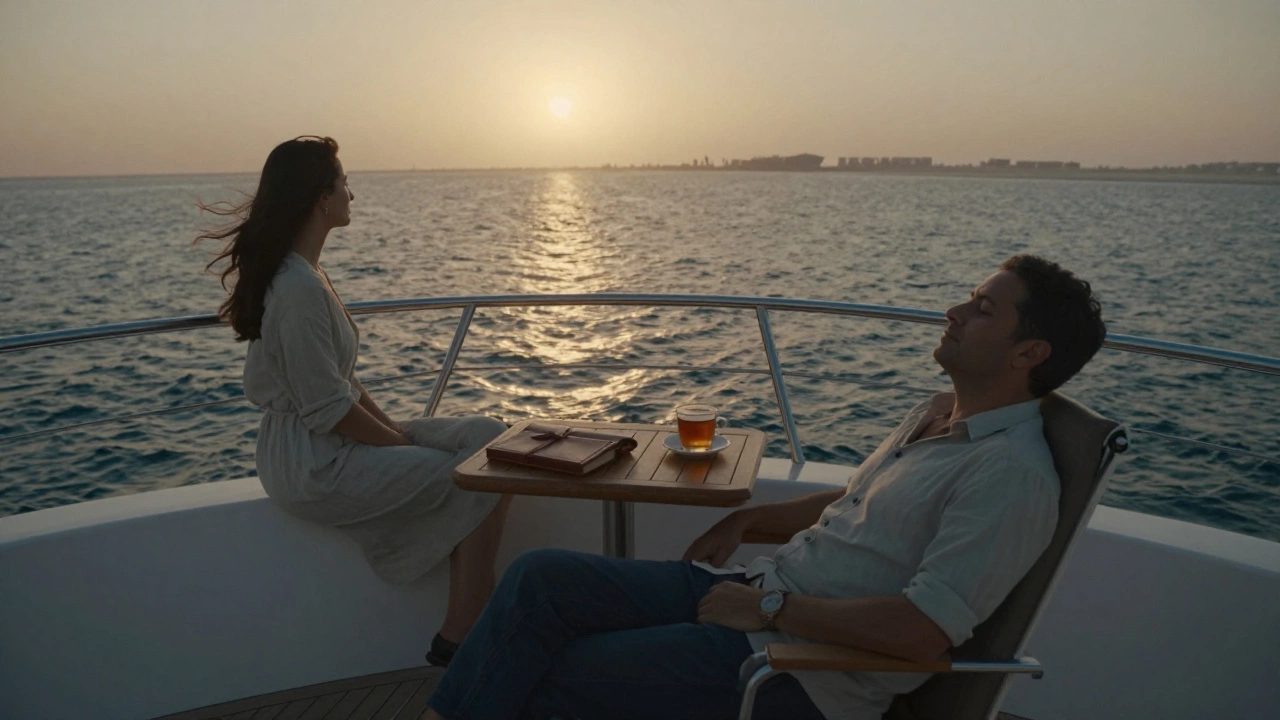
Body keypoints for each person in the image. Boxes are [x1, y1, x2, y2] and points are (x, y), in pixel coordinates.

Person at [418, 255, 1107, 720]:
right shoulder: (935, 415)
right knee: (541, 579)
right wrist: (749, 520)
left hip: (799, 673)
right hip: (762, 592)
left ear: (1028, 353)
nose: (954, 311)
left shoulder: (1010, 476)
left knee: (553, 672)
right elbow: (855, 506)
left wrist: (770, 608)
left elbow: (921, 635)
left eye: (982, 309)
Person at [200, 136, 510, 666]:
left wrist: (400, 432)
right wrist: (399, 446)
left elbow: (342, 383)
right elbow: (328, 409)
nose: (352, 193)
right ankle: (462, 636)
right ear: (322, 198)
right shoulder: (296, 289)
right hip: (310, 462)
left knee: (491, 438)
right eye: (345, 183)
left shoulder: (309, 274)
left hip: (328, 439)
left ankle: (474, 616)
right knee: (477, 479)